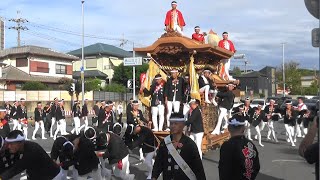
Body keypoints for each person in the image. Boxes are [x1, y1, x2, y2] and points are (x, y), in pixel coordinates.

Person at [152, 113, 206, 180]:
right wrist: (154, 177)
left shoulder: (190, 144)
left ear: (183, 125)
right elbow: (158, 162)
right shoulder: (165, 143)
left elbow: (198, 168)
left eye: (176, 123)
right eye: (171, 123)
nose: (173, 126)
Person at [219, 115, 260, 180]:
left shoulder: (227, 145)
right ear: (244, 128)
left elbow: (224, 169)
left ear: (229, 128)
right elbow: (256, 166)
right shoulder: (250, 144)